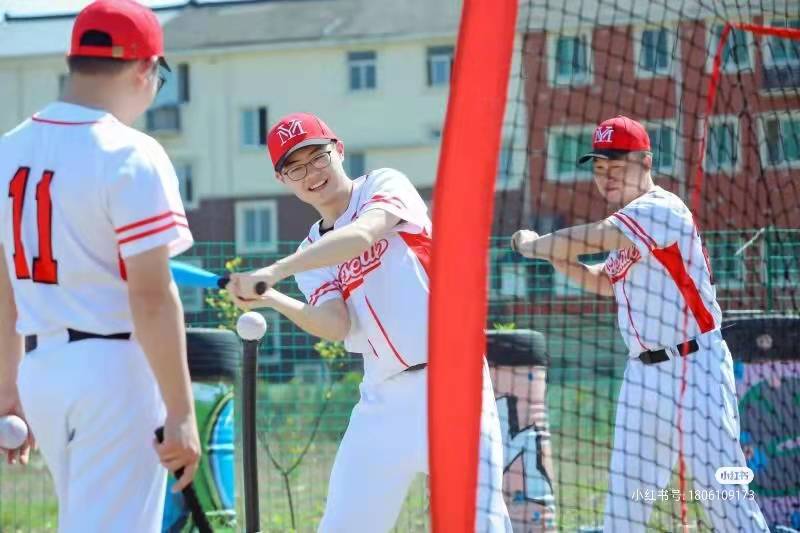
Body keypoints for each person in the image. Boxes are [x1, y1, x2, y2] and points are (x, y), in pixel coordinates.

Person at [228, 112, 512, 532]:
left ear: (339, 150)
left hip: (452, 384)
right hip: (381, 399)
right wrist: (271, 296)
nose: (312, 173)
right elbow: (335, 324)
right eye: (295, 167)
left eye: (317, 157)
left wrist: (275, 270)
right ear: (282, 179)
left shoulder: (384, 184)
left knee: (478, 524)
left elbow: (361, 235)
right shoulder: (310, 253)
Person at [511, 116, 768, 532]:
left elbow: (594, 237)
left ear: (646, 161)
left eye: (617, 164)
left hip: (693, 367)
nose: (606, 175)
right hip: (642, 375)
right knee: (625, 503)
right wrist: (554, 254)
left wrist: (533, 245)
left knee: (722, 495)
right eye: (599, 167)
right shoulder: (629, 223)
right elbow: (603, 280)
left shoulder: (659, 209)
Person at [0, 1, 200, 530]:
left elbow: (4, 289)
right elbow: (151, 296)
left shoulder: (7, 150)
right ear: (144, 68)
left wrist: (8, 386)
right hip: (115, 370)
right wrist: (182, 410)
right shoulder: (130, 152)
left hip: (42, 369)